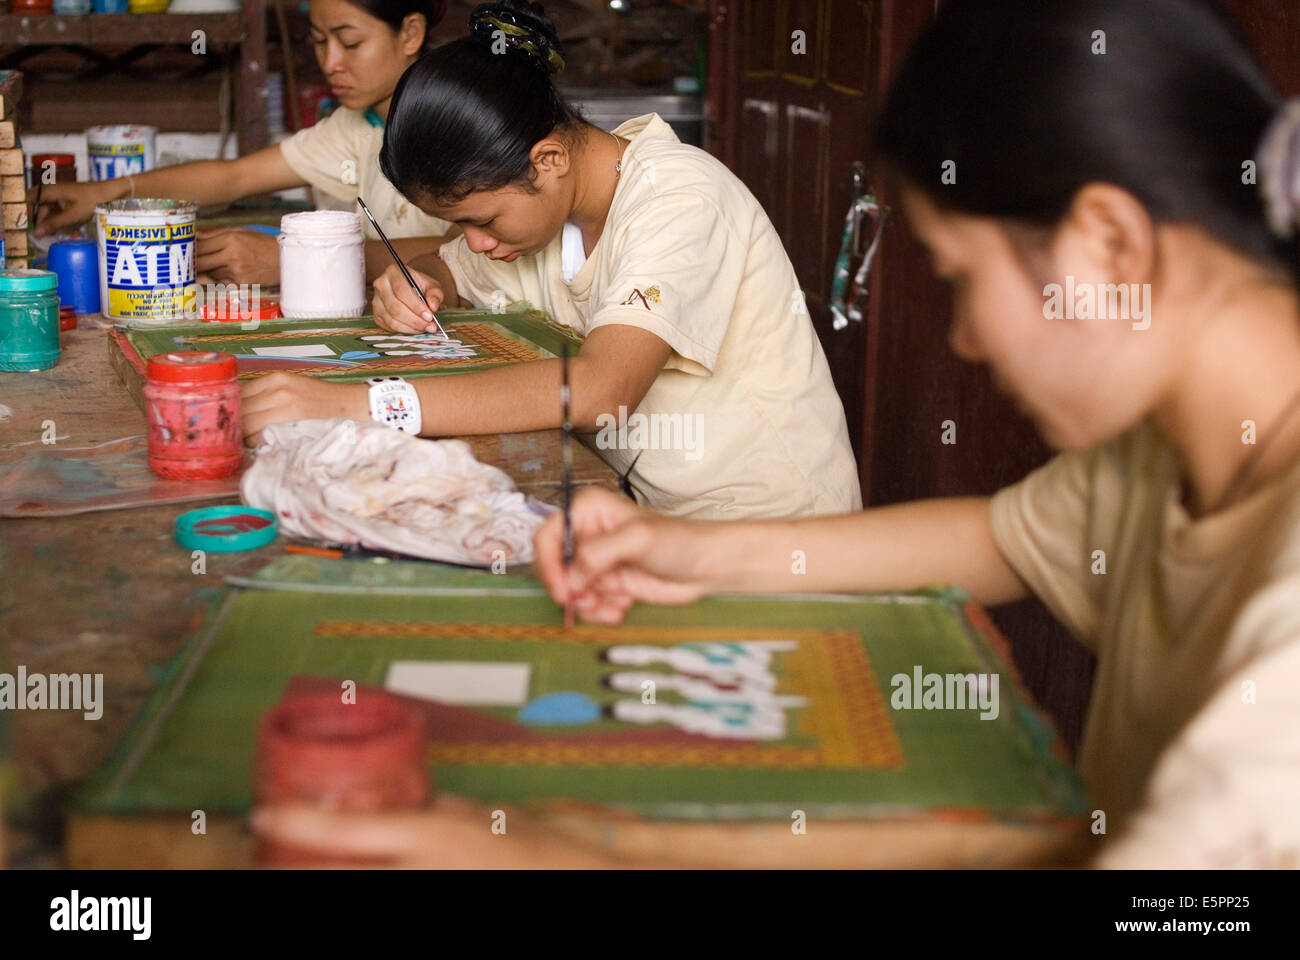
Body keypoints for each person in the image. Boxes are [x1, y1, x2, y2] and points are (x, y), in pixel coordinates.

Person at [254, 0, 1300, 868]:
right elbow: (1001, 539)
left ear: (1109, 242)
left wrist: (551, 856)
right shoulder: (1168, 457)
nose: (972, 340)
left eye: (962, 281)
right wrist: (686, 551)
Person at [240, 0, 861, 521]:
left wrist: (360, 404)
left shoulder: (679, 198)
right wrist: (422, 282)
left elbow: (598, 392)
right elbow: (454, 269)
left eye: (480, 221)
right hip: (641, 513)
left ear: (549, 161)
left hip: (769, 528)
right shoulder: (544, 221)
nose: (474, 240)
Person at [33, 0, 453, 286]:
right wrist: (104, 194)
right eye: (319, 42)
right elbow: (233, 177)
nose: (330, 63)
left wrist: (297, 260)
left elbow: (469, 251)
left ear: (410, 33)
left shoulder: (455, 121)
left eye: (351, 42)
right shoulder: (358, 125)